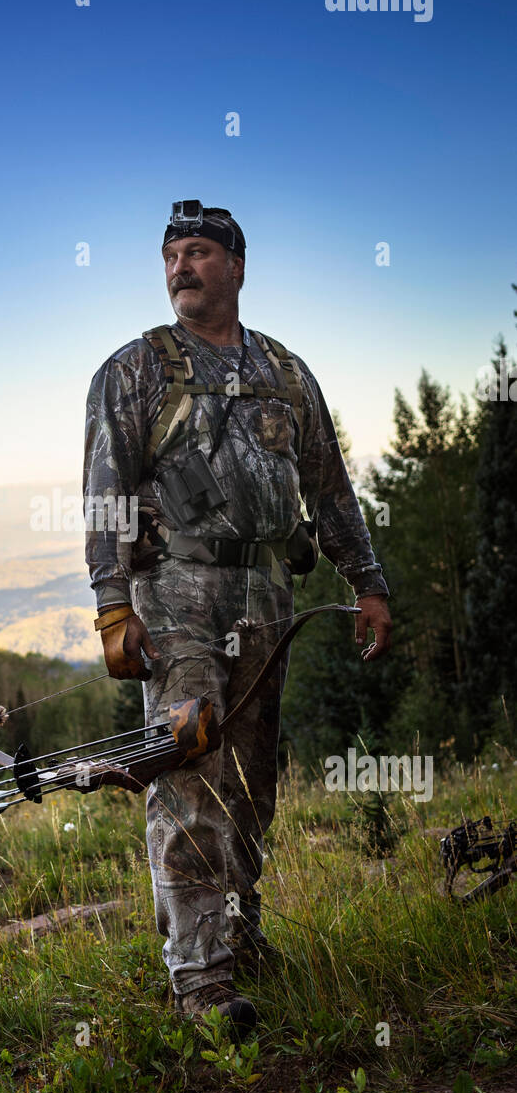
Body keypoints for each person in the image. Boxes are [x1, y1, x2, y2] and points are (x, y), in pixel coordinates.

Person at [83, 201, 392, 1032]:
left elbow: (330, 488)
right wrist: (113, 604)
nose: (183, 266)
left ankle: (240, 934)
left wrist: (368, 582)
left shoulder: (286, 374)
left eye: (200, 252)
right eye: (172, 254)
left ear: (237, 266)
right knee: (189, 770)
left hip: (266, 599)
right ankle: (201, 983)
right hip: (175, 595)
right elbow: (106, 493)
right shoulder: (134, 369)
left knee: (252, 783)